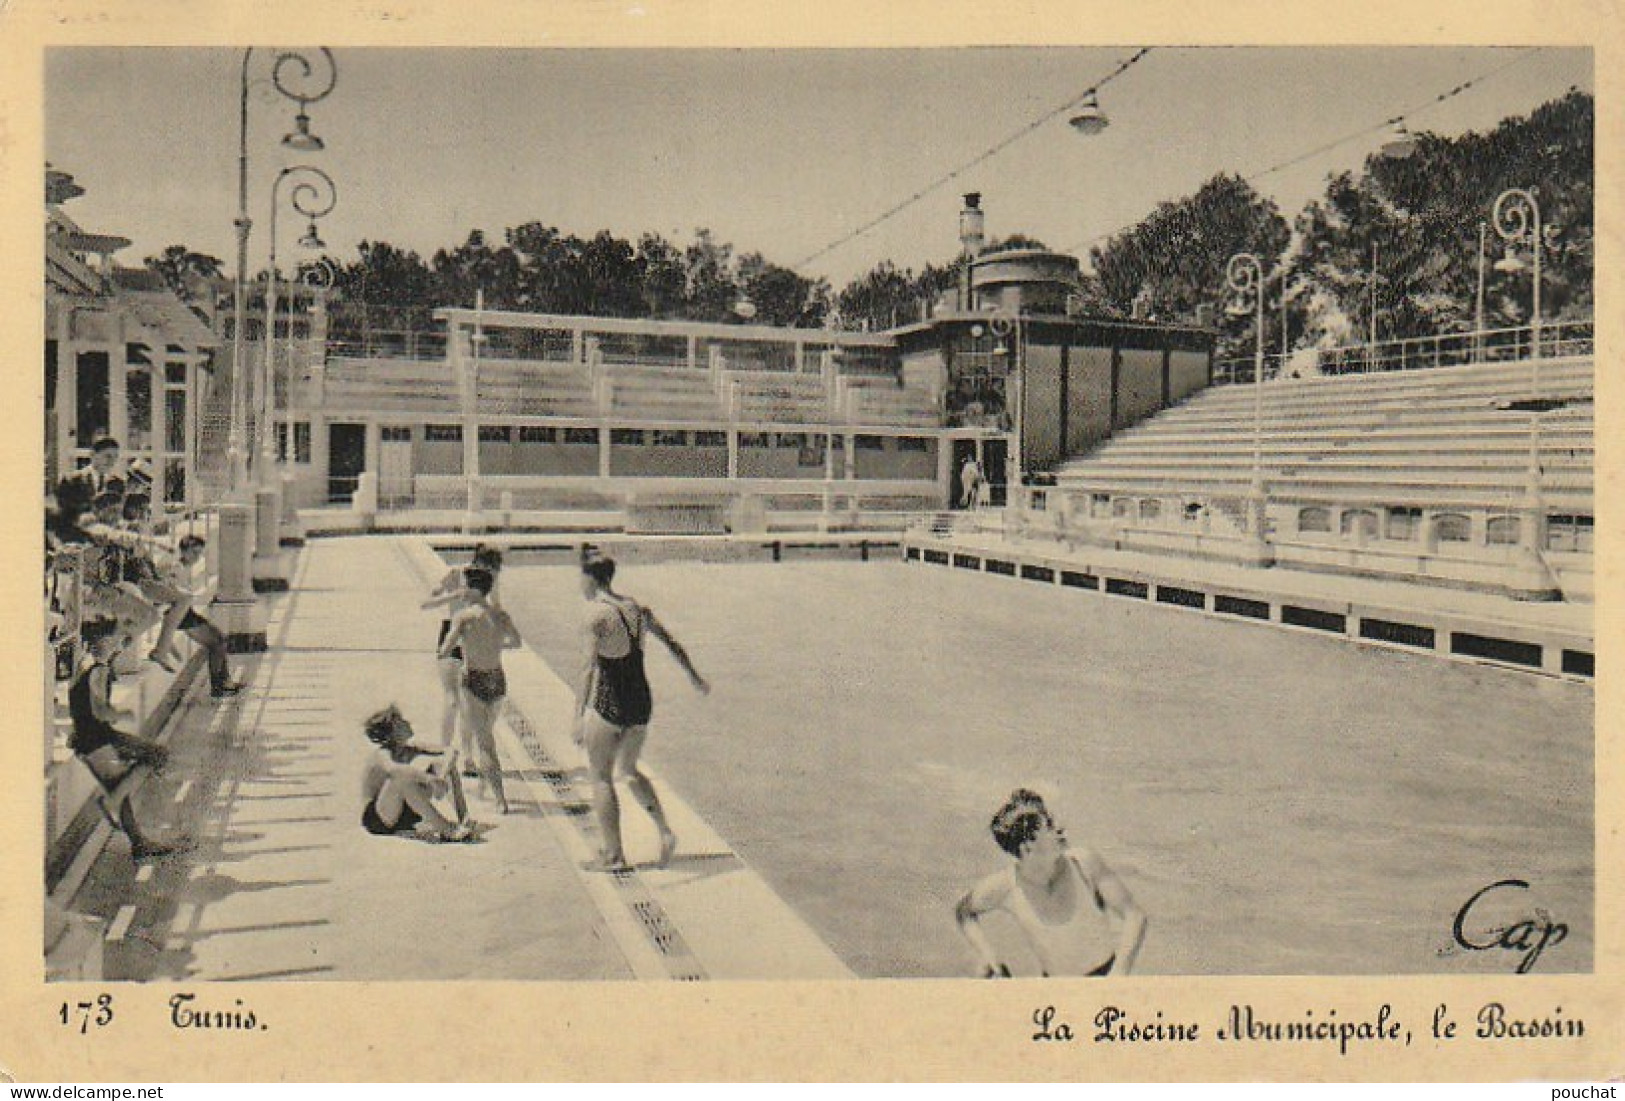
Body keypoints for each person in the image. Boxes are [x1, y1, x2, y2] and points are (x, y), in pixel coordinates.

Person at [574, 549, 708, 873]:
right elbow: (675, 644)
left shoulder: (596, 616)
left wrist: (578, 715)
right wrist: (694, 677)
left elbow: (588, 669)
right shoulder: (638, 609)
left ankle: (614, 855)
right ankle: (664, 829)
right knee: (629, 771)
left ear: (591, 579)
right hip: (641, 700)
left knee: (601, 777)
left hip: (611, 700)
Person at [953, 789, 1147, 977]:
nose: (1060, 828)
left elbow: (1134, 915)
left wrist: (1120, 971)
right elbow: (964, 912)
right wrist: (988, 955)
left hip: (1108, 974)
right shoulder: (1006, 886)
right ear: (1028, 847)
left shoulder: (1083, 863)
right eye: (1050, 825)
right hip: (1056, 989)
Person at [69, 617, 188, 862]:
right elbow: (99, 711)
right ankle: (111, 803)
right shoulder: (99, 670)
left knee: (120, 784)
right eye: (115, 637)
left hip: (88, 737)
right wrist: (121, 713)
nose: (119, 642)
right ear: (102, 642)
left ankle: (139, 843)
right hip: (97, 739)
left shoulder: (84, 665)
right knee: (157, 755)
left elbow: (77, 701)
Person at [437, 567, 519, 814]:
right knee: (486, 735)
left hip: (473, 681)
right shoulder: (500, 616)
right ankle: (486, 783)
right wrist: (493, 645)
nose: (462, 590)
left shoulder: (463, 617)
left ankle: (500, 800)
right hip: (497, 680)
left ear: (473, 589)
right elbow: (515, 642)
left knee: (486, 744)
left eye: (464, 586)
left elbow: (443, 650)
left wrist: (466, 646)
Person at [421, 545, 503, 761]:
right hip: (451, 635)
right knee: (452, 701)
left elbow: (496, 611)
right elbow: (426, 603)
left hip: (474, 640)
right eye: (488, 569)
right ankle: (443, 751)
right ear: (477, 564)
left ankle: (468, 757)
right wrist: (455, 596)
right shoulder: (456, 574)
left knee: (470, 703)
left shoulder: (489, 582)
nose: (491, 575)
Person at [359, 704, 474, 842]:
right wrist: (429, 779)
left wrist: (441, 776)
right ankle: (446, 828)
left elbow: (451, 751)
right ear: (393, 731)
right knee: (401, 778)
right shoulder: (382, 754)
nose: (408, 723)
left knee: (440, 765)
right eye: (401, 722)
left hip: (404, 813)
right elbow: (394, 770)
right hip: (380, 817)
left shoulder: (412, 748)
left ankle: (464, 818)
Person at [146, 535, 242, 697]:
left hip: (186, 613)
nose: (197, 558)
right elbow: (165, 593)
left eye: (199, 554)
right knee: (217, 641)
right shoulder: (174, 566)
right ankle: (220, 685)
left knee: (219, 639)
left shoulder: (181, 565)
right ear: (184, 550)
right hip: (182, 616)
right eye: (194, 553)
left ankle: (223, 682)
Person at [53, 436, 126, 544]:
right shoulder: (72, 480)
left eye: (115, 457)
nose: (111, 461)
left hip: (107, 543)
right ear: (93, 455)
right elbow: (62, 517)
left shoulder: (118, 484)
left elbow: (118, 515)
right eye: (107, 456)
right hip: (76, 543)